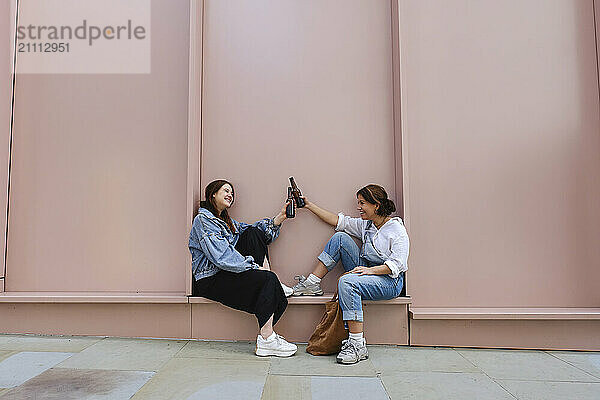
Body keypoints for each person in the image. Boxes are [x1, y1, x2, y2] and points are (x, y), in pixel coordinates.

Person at [292, 184, 409, 364]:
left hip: (389, 281)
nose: (358, 207)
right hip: (367, 271)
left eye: (362, 203)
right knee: (340, 237)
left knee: (347, 282)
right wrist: (308, 205)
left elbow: (397, 264)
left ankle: (357, 345)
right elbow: (339, 222)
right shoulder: (367, 226)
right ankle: (311, 283)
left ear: (376, 205)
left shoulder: (396, 230)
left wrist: (370, 271)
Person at [189, 179, 297, 357]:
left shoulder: (226, 222)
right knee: (268, 280)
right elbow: (221, 256)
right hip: (210, 278)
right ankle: (267, 339)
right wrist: (255, 268)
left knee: (253, 233)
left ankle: (267, 337)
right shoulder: (203, 221)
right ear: (212, 194)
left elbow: (255, 232)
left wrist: (280, 217)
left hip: (225, 274)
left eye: (232, 192)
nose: (230, 194)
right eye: (225, 190)